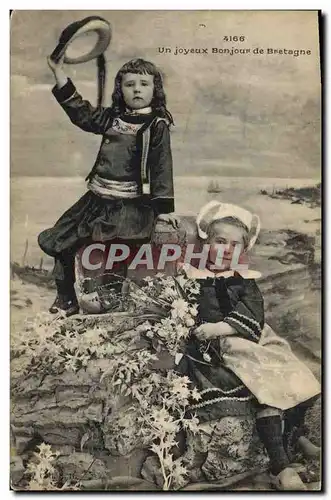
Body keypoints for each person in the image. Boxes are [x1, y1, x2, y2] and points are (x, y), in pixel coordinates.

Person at [177, 200, 320, 490]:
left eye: (234, 245)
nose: (226, 250)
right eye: (220, 241)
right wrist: (201, 329)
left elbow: (253, 316)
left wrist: (221, 325)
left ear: (242, 251)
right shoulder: (193, 278)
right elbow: (186, 313)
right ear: (206, 244)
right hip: (221, 347)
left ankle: (296, 435)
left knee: (299, 375)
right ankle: (280, 469)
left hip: (251, 337)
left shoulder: (244, 282)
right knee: (264, 387)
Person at [38, 56, 179, 316]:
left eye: (144, 84)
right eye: (130, 84)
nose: (137, 89)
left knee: (115, 256)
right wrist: (58, 72)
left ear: (155, 90)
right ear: (120, 90)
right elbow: (80, 112)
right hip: (96, 201)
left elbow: (162, 167)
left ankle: (111, 306)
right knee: (60, 241)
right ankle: (66, 298)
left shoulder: (157, 126)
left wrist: (164, 210)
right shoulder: (111, 119)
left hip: (130, 206)